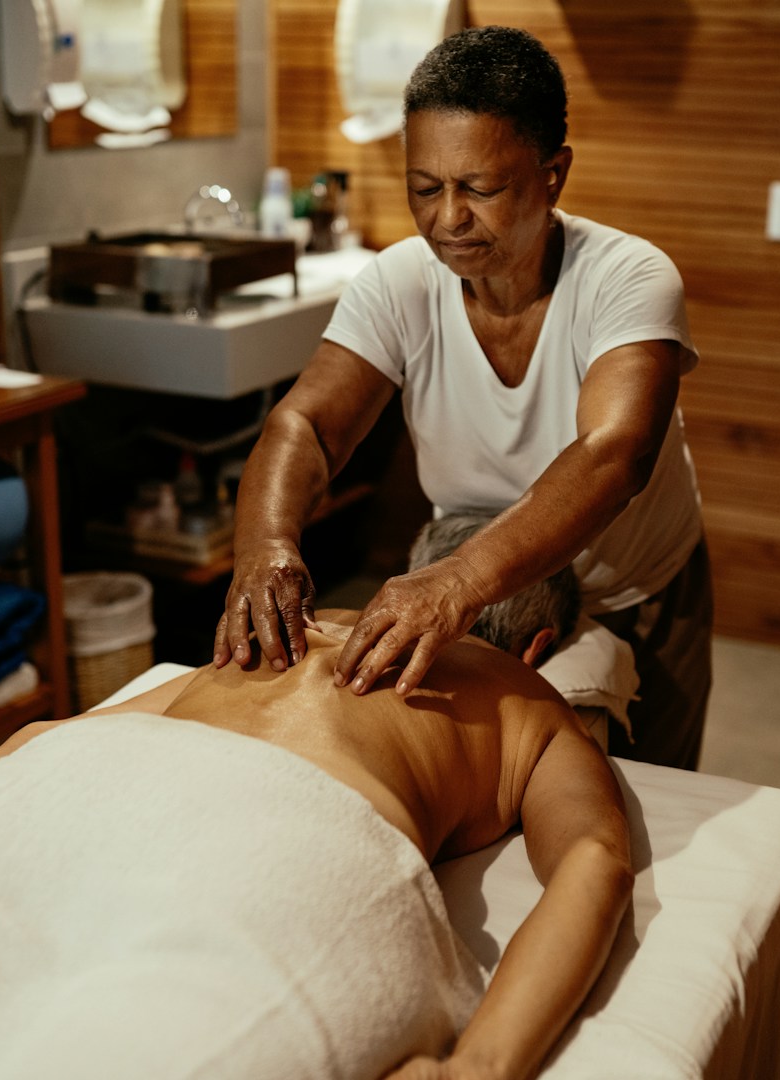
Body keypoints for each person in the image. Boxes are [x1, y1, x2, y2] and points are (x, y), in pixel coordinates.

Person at [0, 603, 630, 1080]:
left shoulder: (296, 629)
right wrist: (479, 1068)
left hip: (82, 785)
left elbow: (42, 742)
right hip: (293, 829)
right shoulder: (524, 694)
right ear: (540, 642)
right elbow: (593, 862)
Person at [217, 25, 713, 769]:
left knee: (653, 796)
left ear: (553, 174)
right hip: (491, 604)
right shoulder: (399, 282)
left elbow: (615, 453)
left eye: (480, 189)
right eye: (424, 188)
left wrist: (456, 582)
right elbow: (310, 425)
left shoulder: (628, 278)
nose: (447, 218)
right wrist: (265, 544)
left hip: (630, 587)